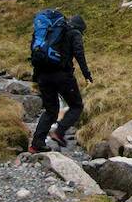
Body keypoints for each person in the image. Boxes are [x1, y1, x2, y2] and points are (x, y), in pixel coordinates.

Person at [29, 14, 93, 153]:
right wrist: (86, 74)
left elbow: (35, 53)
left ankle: (36, 144)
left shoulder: (47, 33)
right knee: (76, 106)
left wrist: (36, 77)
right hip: (62, 76)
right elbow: (79, 53)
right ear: (80, 27)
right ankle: (59, 132)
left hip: (43, 76)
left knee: (51, 111)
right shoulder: (73, 32)